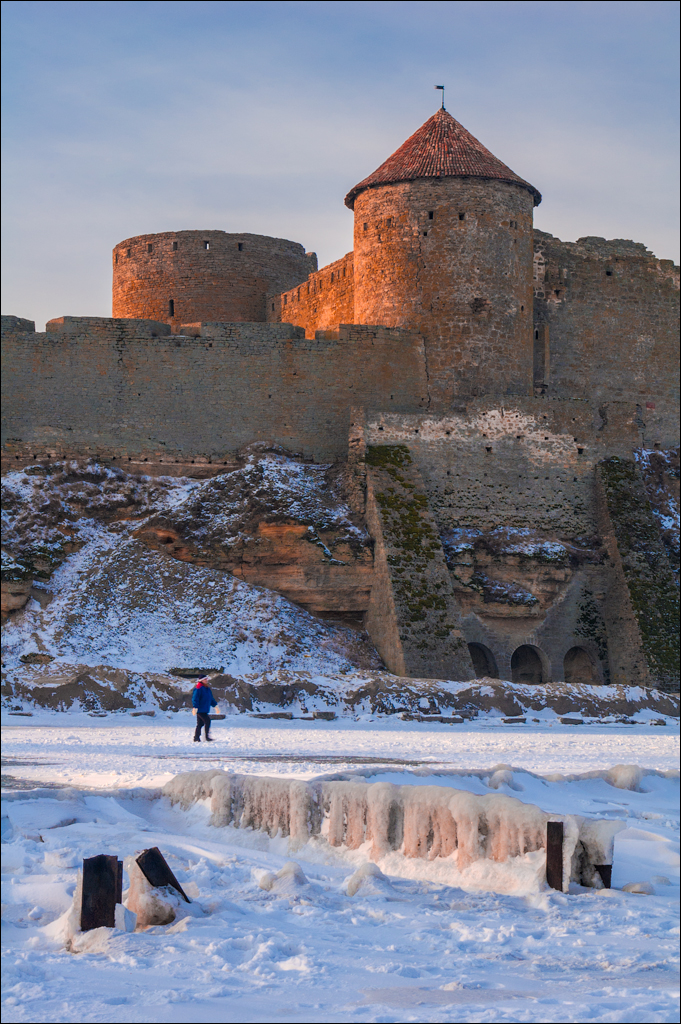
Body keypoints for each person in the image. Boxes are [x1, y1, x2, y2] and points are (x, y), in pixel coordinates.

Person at [192, 676, 218, 742]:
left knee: (200, 724)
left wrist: (215, 706)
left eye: (206, 679)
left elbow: (210, 698)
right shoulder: (198, 687)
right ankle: (207, 737)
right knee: (207, 721)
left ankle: (196, 738)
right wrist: (195, 707)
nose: (206, 680)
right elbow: (195, 698)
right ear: (201, 680)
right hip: (200, 709)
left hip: (204, 709)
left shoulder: (207, 688)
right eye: (205, 679)